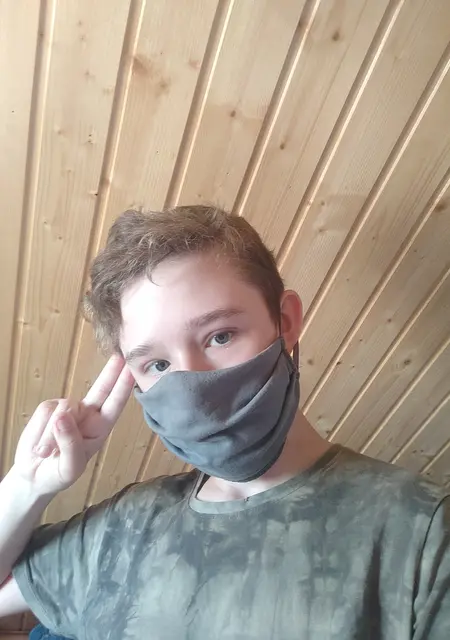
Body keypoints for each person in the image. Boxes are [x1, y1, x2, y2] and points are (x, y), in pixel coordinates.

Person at [0, 205, 448, 640]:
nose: (192, 385)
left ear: (285, 321)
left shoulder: (422, 530)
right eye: (157, 365)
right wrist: (29, 485)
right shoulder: (126, 522)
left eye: (220, 336)